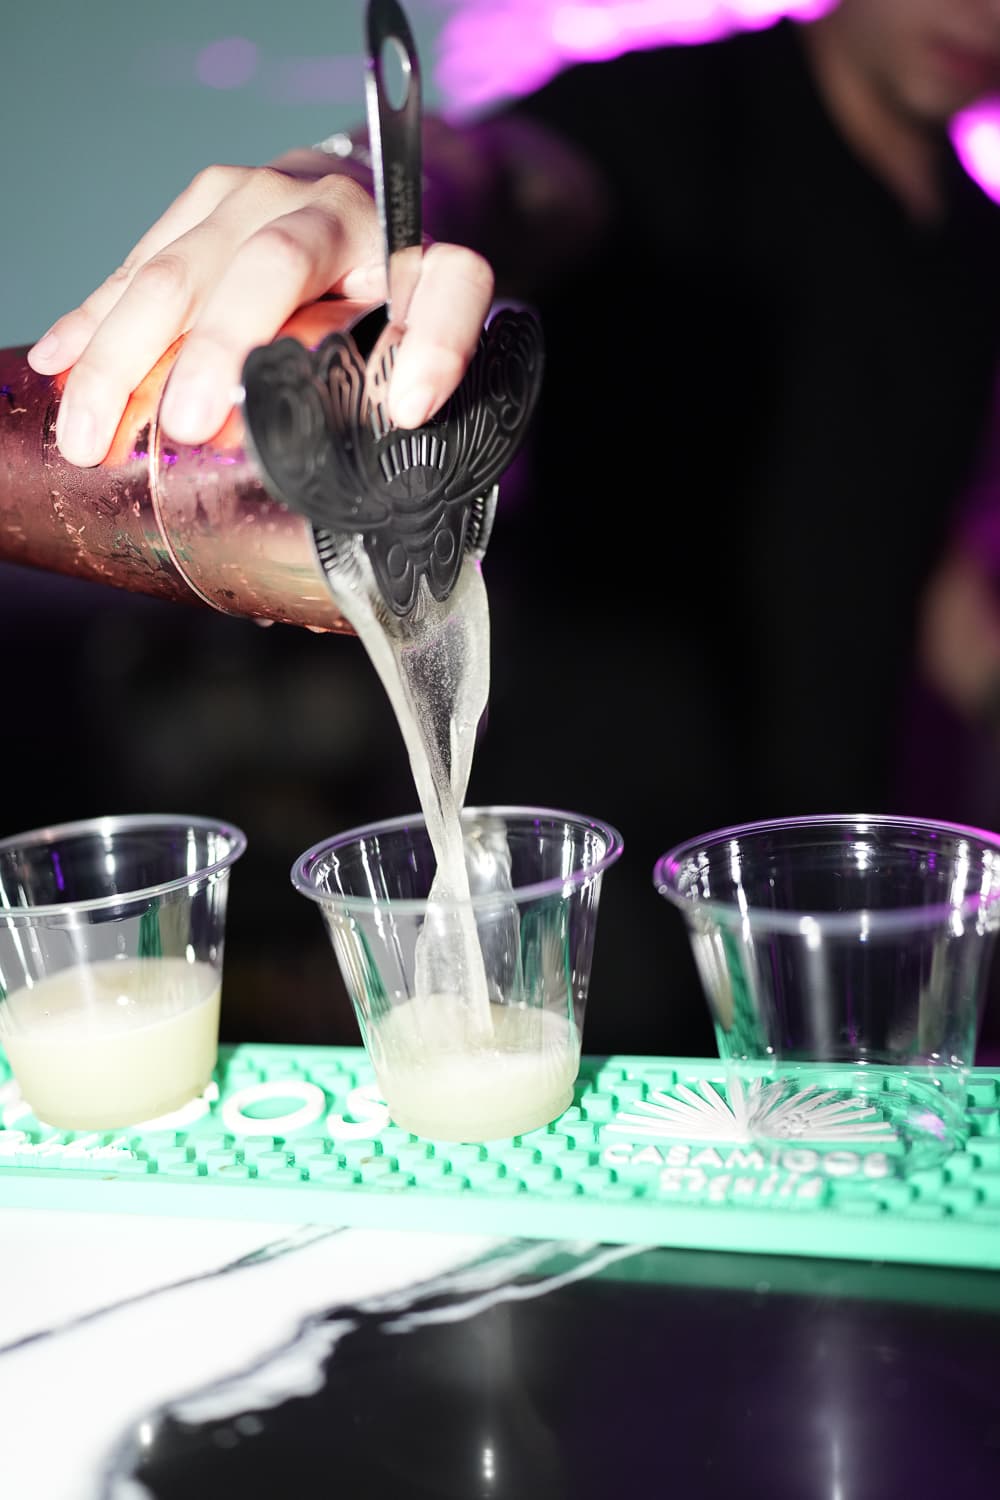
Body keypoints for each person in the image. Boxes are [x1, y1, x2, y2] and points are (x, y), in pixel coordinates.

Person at [25, 0, 1000, 1055]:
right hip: (564, 887)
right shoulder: (667, 109)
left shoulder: (972, 242)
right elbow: (515, 175)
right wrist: (371, 190)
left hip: (824, 885)